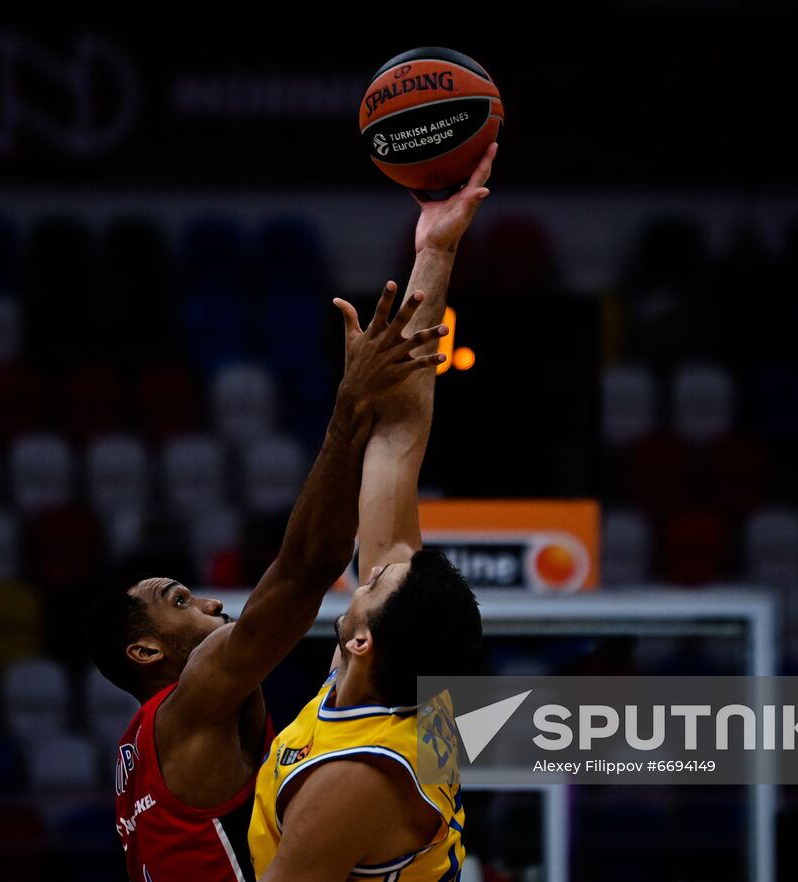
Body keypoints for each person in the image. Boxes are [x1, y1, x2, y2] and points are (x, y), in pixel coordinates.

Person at [87, 280, 450, 882]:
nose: (209, 600)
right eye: (180, 600)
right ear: (146, 650)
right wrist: (350, 404)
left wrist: (437, 252)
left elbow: (396, 456)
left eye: (368, 587)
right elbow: (313, 564)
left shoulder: (350, 735)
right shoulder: (367, 763)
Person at [248, 144, 496, 882]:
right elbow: (399, 433)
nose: (375, 564)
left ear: (361, 643)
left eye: (377, 581)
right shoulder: (417, 694)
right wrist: (436, 249)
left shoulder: (358, 781)